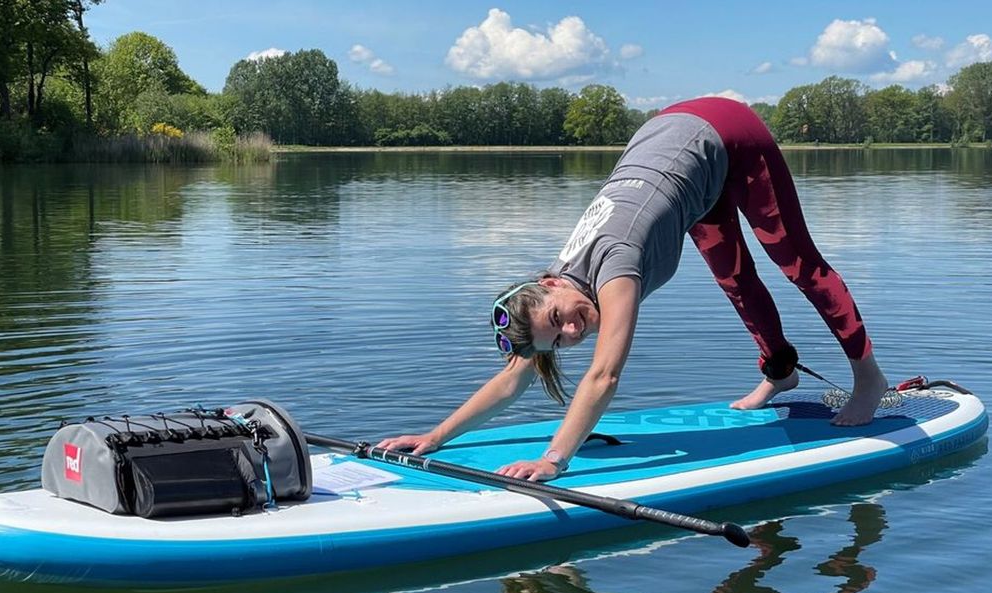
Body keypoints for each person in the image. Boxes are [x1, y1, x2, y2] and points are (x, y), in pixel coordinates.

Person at [377, 97, 889, 481]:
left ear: (549, 282)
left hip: (727, 134)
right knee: (734, 277)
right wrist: (434, 437)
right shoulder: (553, 293)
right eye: (559, 340)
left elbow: (604, 374)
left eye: (561, 320)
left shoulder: (615, 268)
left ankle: (869, 378)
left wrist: (553, 460)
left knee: (796, 262)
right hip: (674, 153)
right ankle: (781, 375)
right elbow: (514, 379)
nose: (574, 329)